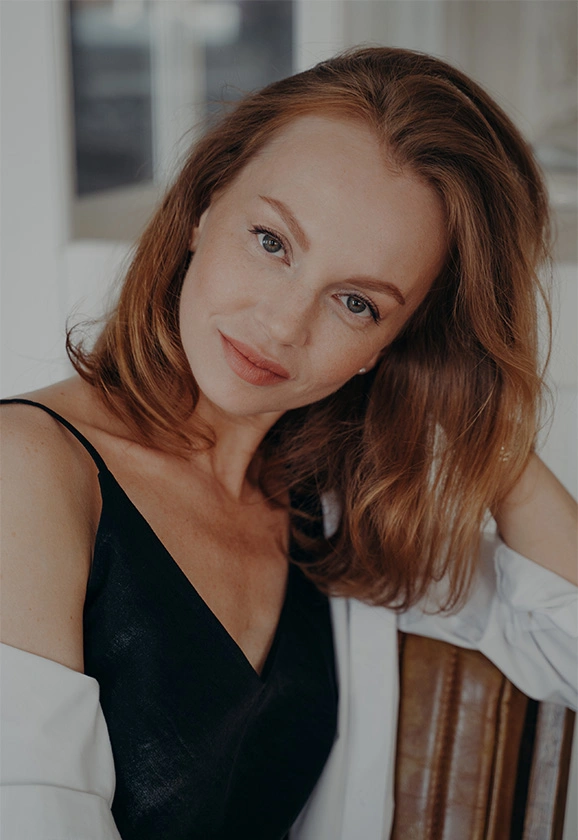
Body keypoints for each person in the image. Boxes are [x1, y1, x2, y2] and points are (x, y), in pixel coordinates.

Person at [1, 46, 576, 840]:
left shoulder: (334, 516)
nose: (282, 325)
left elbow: (569, 645)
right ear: (203, 206)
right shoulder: (27, 470)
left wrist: (477, 406)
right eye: (272, 241)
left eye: (356, 303)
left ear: (397, 342)